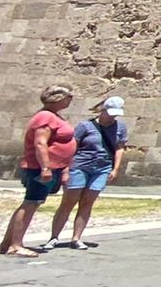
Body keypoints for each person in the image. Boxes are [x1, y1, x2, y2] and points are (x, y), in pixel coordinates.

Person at [0, 86, 78, 257]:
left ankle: (7, 243)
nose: (71, 100)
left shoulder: (53, 116)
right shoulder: (45, 117)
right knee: (31, 203)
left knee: (32, 203)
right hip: (39, 168)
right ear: (58, 98)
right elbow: (40, 143)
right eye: (69, 96)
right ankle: (15, 245)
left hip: (52, 167)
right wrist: (45, 168)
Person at [48, 96, 129, 250]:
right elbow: (72, 146)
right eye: (110, 113)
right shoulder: (85, 126)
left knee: (87, 202)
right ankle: (54, 237)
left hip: (102, 168)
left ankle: (76, 238)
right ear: (103, 110)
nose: (112, 117)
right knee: (69, 202)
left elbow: (120, 148)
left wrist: (116, 169)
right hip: (80, 166)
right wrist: (66, 167)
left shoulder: (120, 127)